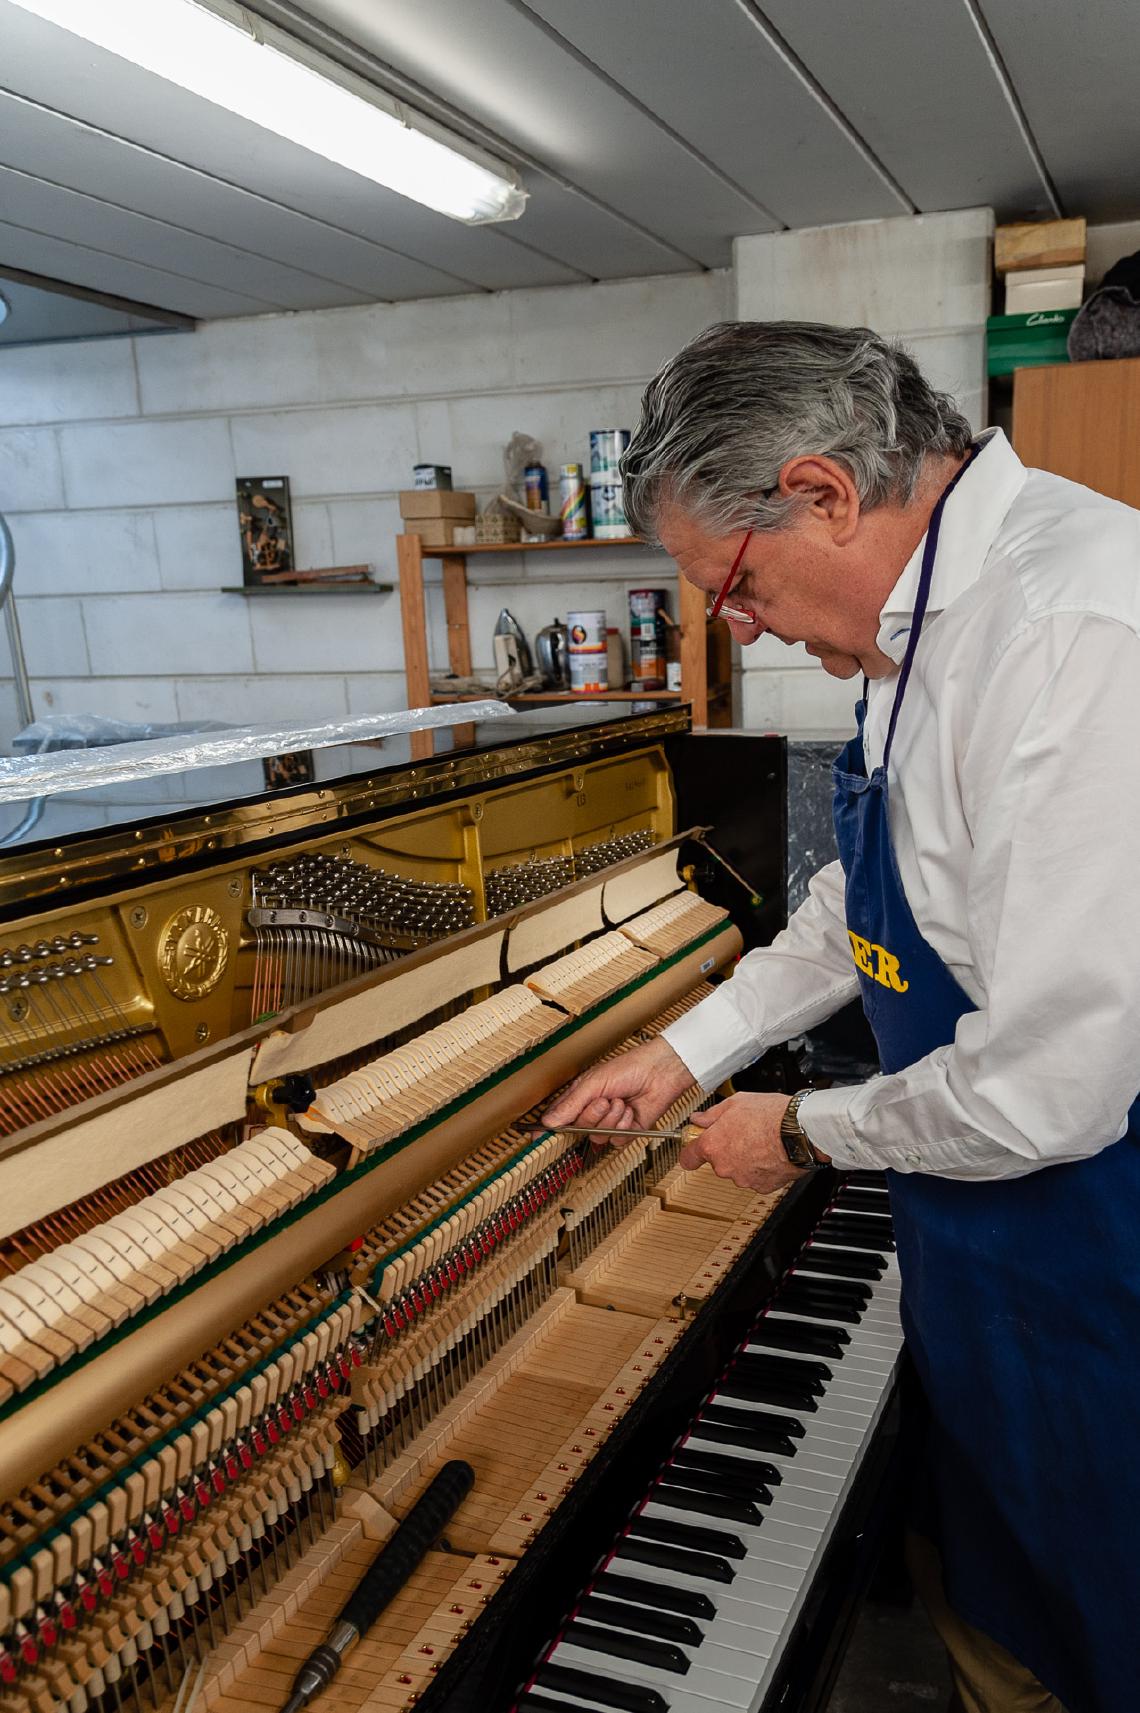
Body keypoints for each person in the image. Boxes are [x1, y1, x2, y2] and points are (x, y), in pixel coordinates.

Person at [543, 322, 1140, 1713]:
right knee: (998, 1615)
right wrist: (686, 1051)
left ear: (820, 493)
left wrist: (800, 1131)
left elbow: (1051, 1086)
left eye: (731, 587)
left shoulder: (1071, 631)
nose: (735, 626)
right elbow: (861, 906)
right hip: (985, 1256)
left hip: (1099, 1265)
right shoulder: (915, 625)